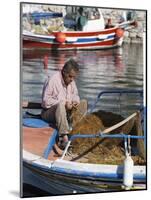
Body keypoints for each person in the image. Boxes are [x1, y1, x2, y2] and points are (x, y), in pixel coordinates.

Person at [41, 58, 87, 149]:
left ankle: (75, 130)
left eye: (74, 77)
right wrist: (64, 103)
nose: (72, 79)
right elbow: (45, 101)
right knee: (60, 105)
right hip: (48, 112)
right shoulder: (53, 80)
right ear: (64, 72)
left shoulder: (71, 81)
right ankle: (63, 138)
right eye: (70, 76)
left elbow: (75, 95)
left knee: (83, 103)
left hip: (65, 112)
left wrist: (75, 101)